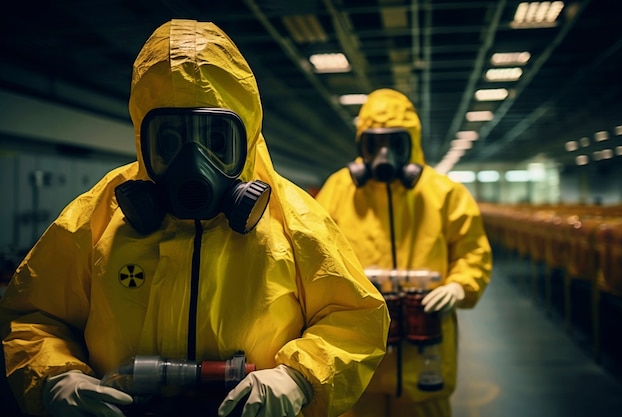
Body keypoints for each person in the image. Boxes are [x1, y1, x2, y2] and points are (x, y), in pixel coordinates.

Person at [0, 19, 390, 417]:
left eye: (216, 141)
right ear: (142, 139)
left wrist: (299, 377)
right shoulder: (97, 215)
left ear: (247, 134)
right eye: (169, 142)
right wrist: (55, 376)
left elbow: (355, 316)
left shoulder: (295, 218)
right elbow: (34, 315)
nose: (194, 166)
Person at [315, 88, 492, 417]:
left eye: (395, 142)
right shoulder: (338, 191)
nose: (384, 154)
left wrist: (459, 285)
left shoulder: (444, 194)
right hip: (357, 357)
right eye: (373, 143)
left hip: (425, 353)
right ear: (360, 145)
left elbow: (472, 252)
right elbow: (313, 259)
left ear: (412, 143)